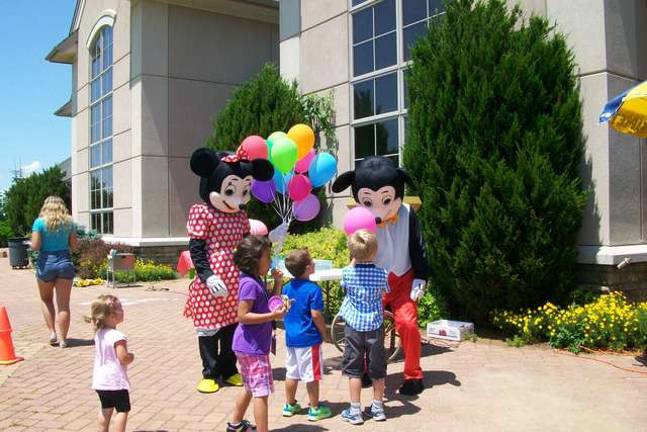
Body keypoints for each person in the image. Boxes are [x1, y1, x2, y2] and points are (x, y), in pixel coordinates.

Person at [228, 236, 287, 432]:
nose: (270, 261)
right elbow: (243, 316)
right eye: (267, 257)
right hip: (251, 348)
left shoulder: (256, 280)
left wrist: (277, 283)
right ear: (254, 260)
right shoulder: (249, 284)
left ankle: (235, 424)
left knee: (249, 386)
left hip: (250, 346)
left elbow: (271, 303)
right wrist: (272, 316)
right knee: (261, 392)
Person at [338, 230, 390, 425]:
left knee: (354, 369)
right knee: (377, 368)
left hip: (353, 327)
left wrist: (354, 260)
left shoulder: (347, 273)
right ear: (374, 252)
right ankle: (377, 408)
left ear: (353, 253)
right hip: (375, 325)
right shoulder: (382, 274)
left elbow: (345, 282)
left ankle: (355, 411)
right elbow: (386, 292)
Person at [280, 249, 332, 422]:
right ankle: (315, 408)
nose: (314, 263)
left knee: (292, 372)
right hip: (309, 339)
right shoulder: (313, 289)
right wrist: (324, 333)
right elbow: (316, 315)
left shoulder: (286, 287)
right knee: (312, 375)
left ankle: (289, 404)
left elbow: (284, 310)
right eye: (312, 261)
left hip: (291, 338)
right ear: (308, 268)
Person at [30, 196, 78, 348]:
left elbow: (36, 246)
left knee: (46, 299)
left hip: (46, 264)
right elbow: (74, 246)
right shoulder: (69, 222)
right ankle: (64, 340)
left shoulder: (39, 222)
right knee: (64, 304)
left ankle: (52, 333)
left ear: (46, 207)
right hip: (64, 263)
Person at [90, 295, 134, 432]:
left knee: (106, 409)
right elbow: (123, 358)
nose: (123, 310)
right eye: (120, 308)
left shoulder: (99, 334)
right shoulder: (117, 336)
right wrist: (131, 356)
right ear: (111, 316)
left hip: (100, 381)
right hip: (115, 381)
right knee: (122, 410)